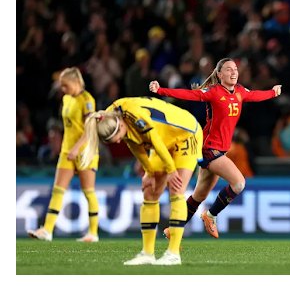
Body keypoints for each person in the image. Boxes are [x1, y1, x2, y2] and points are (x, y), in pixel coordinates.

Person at [149, 57, 281, 239]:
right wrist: (160, 90)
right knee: (239, 183)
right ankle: (210, 216)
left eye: (235, 69)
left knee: (199, 196)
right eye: (228, 69)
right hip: (209, 149)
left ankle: (173, 229)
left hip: (219, 151)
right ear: (219, 74)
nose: (233, 72)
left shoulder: (240, 91)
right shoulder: (213, 92)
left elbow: (256, 95)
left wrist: (273, 93)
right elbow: (189, 94)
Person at [79, 96, 203, 265]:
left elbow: (155, 141)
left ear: (121, 124)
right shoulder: (109, 117)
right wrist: (149, 171)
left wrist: (171, 170)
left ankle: (173, 253)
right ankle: (147, 253)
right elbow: (133, 142)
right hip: (163, 139)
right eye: (112, 141)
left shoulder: (134, 115)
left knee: (176, 189)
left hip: (185, 133)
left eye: (116, 137)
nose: (117, 141)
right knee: (150, 192)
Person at [27, 67, 100, 242]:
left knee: (88, 191)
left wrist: (77, 148)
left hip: (85, 151)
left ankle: (93, 233)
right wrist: (67, 146)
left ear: (76, 82)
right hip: (67, 150)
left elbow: (90, 128)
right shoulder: (66, 99)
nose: (63, 89)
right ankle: (47, 230)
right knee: (58, 190)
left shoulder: (87, 100)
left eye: (65, 85)